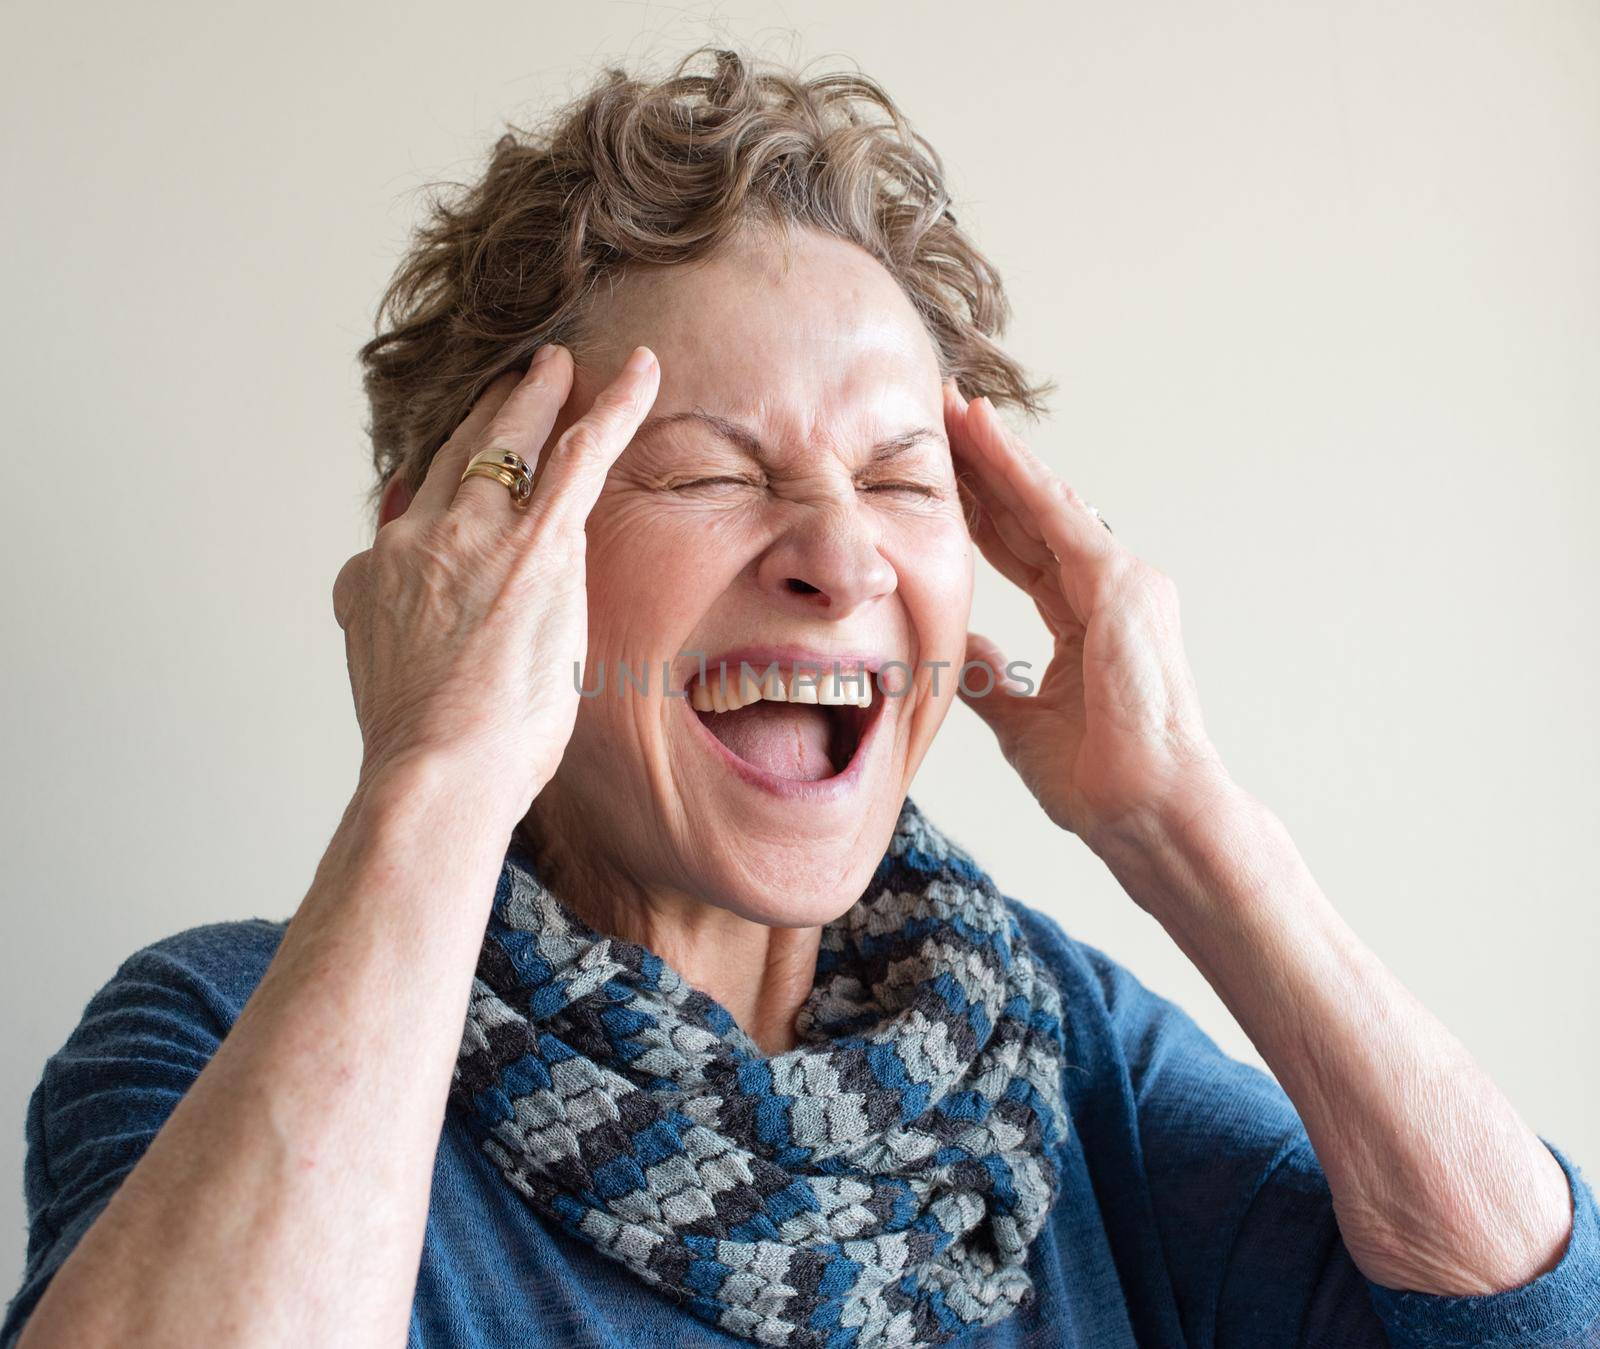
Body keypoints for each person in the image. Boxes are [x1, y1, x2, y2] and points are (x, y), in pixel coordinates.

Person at [5, 45, 1597, 1349]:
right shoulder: (217, 1034)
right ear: (477, 550)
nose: (841, 557)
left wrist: (1189, 828)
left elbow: (1534, 1322)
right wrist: (433, 767)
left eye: (904, 482)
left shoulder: (1052, 1051)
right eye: (706, 467)